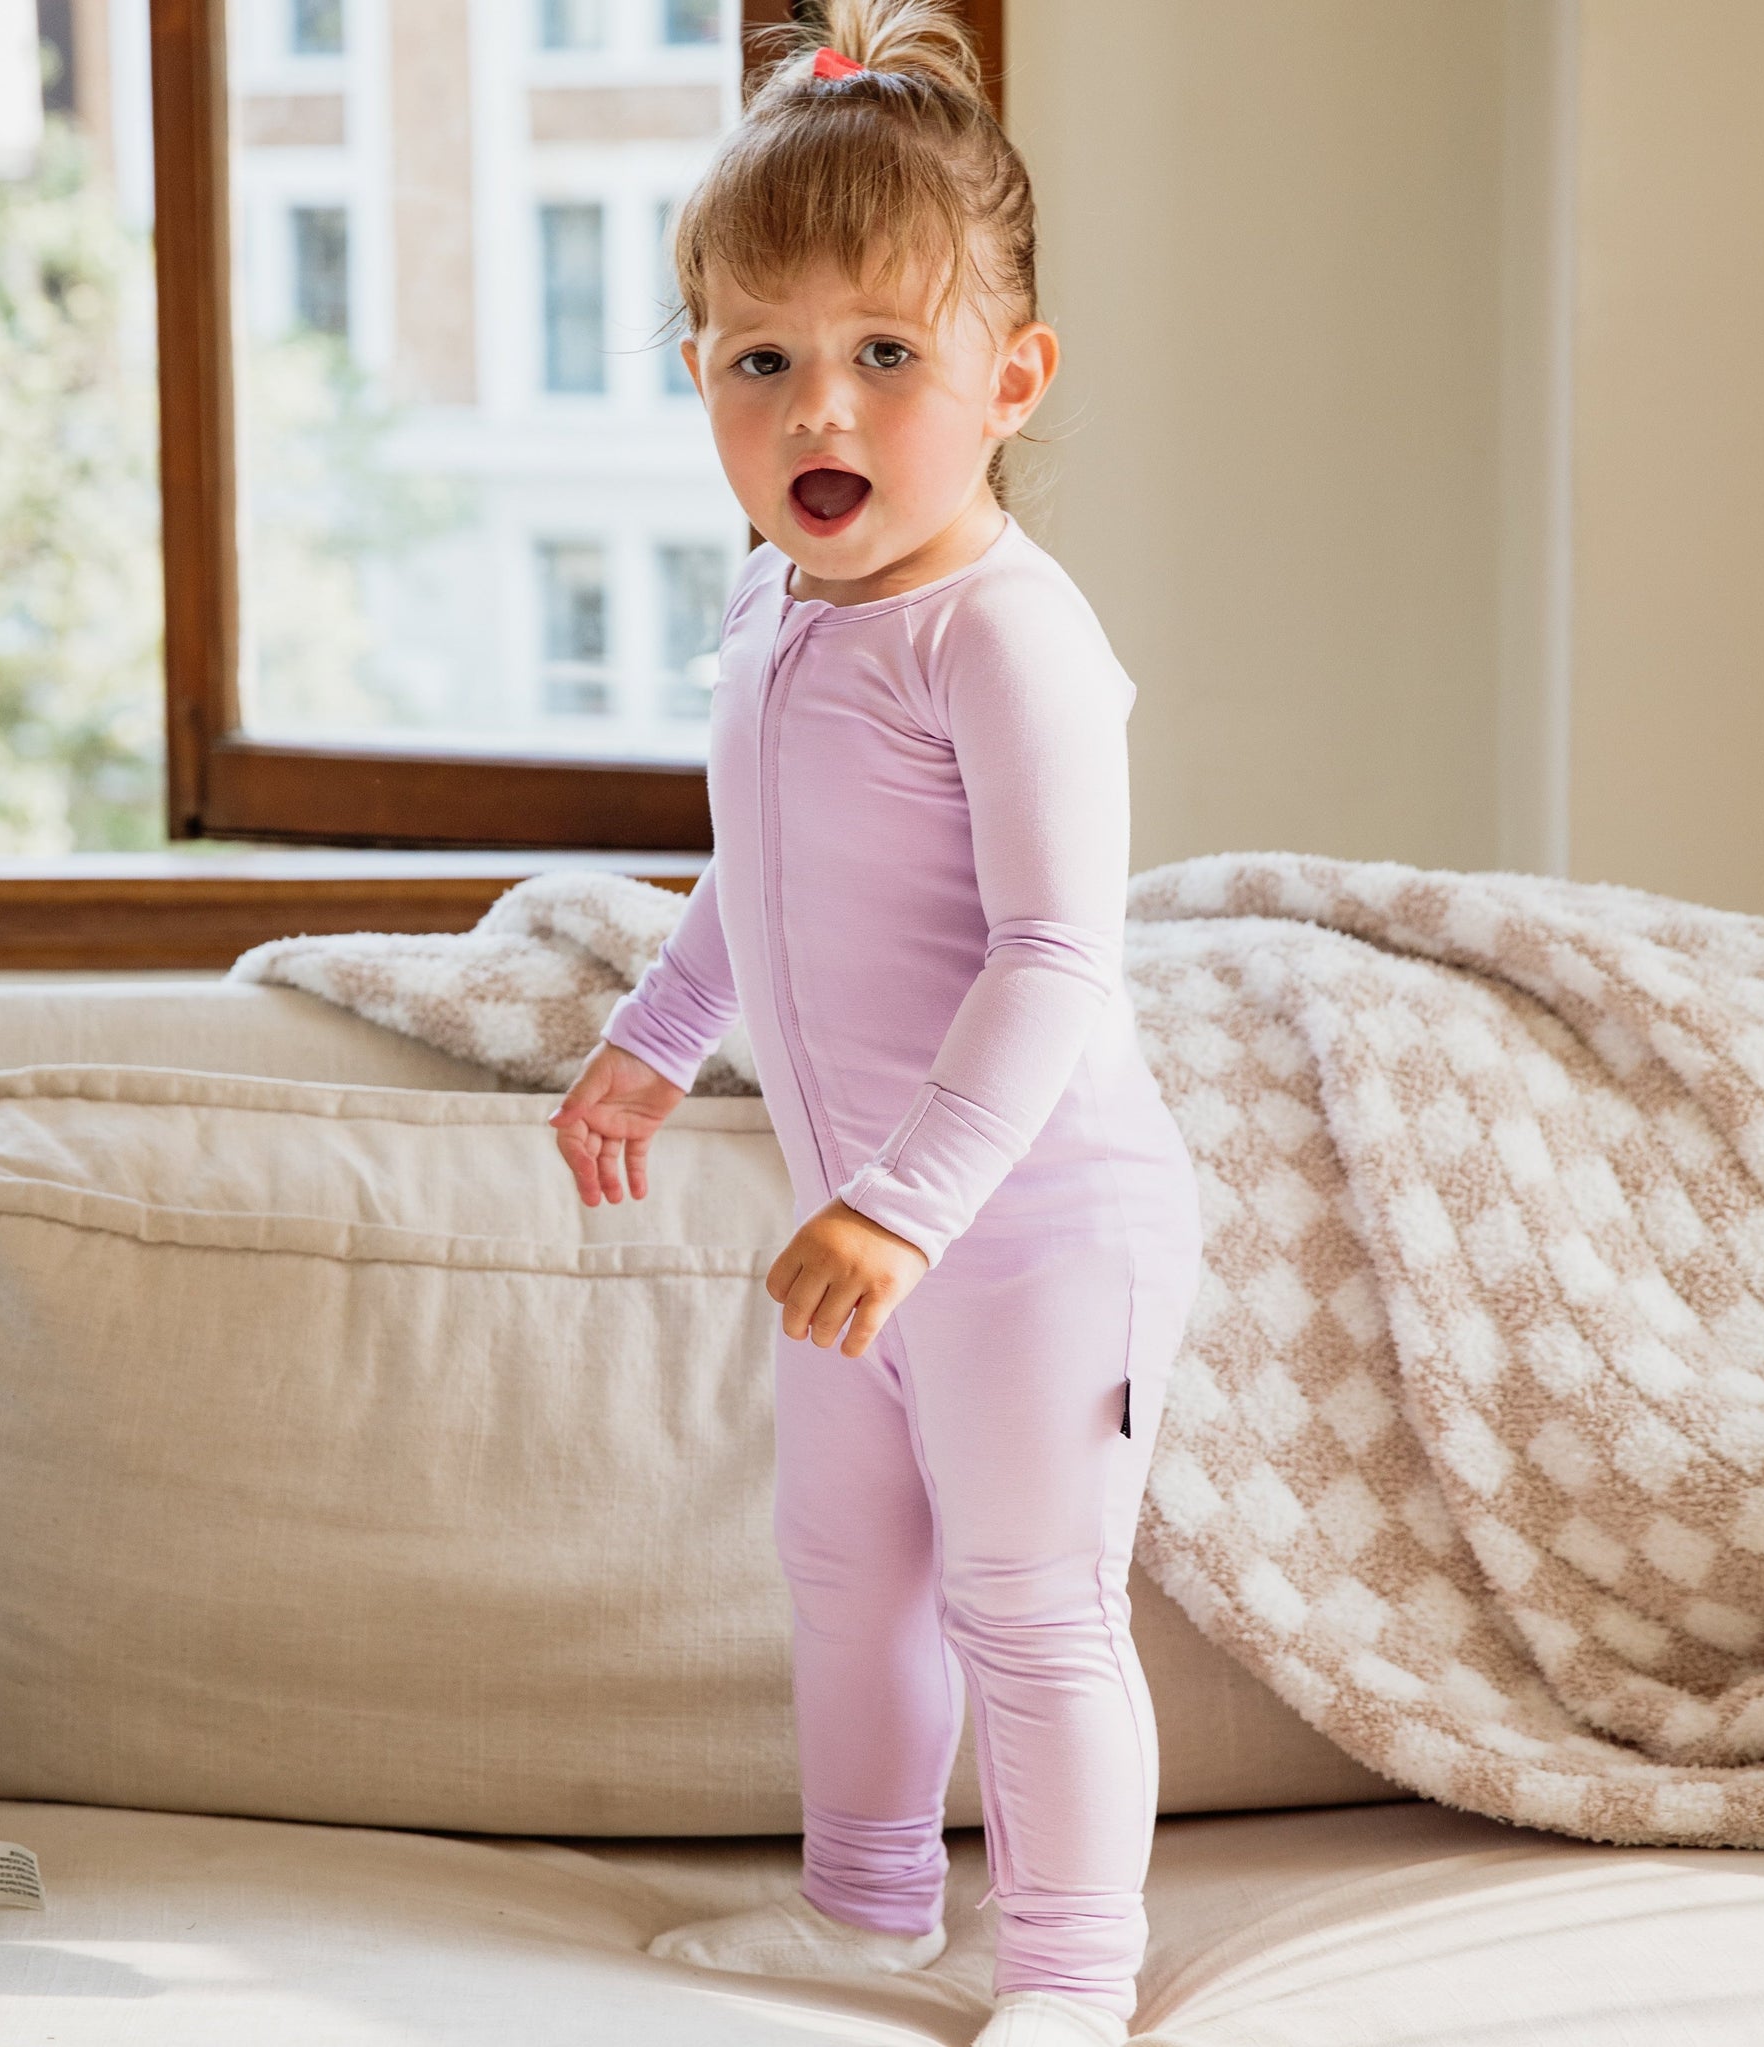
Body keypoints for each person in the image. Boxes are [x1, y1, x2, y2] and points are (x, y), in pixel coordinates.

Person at [547, 4, 1203, 2041]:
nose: (818, 404)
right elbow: (764, 868)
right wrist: (659, 1036)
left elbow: (1050, 958)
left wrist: (907, 1206)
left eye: (885, 356)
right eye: (763, 358)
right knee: (842, 1573)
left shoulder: (1003, 634)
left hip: (1026, 1230)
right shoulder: (768, 607)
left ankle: (1074, 1981)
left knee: (1029, 1601)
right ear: (698, 380)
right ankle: (861, 1909)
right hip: (871, 1235)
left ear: (1009, 382)